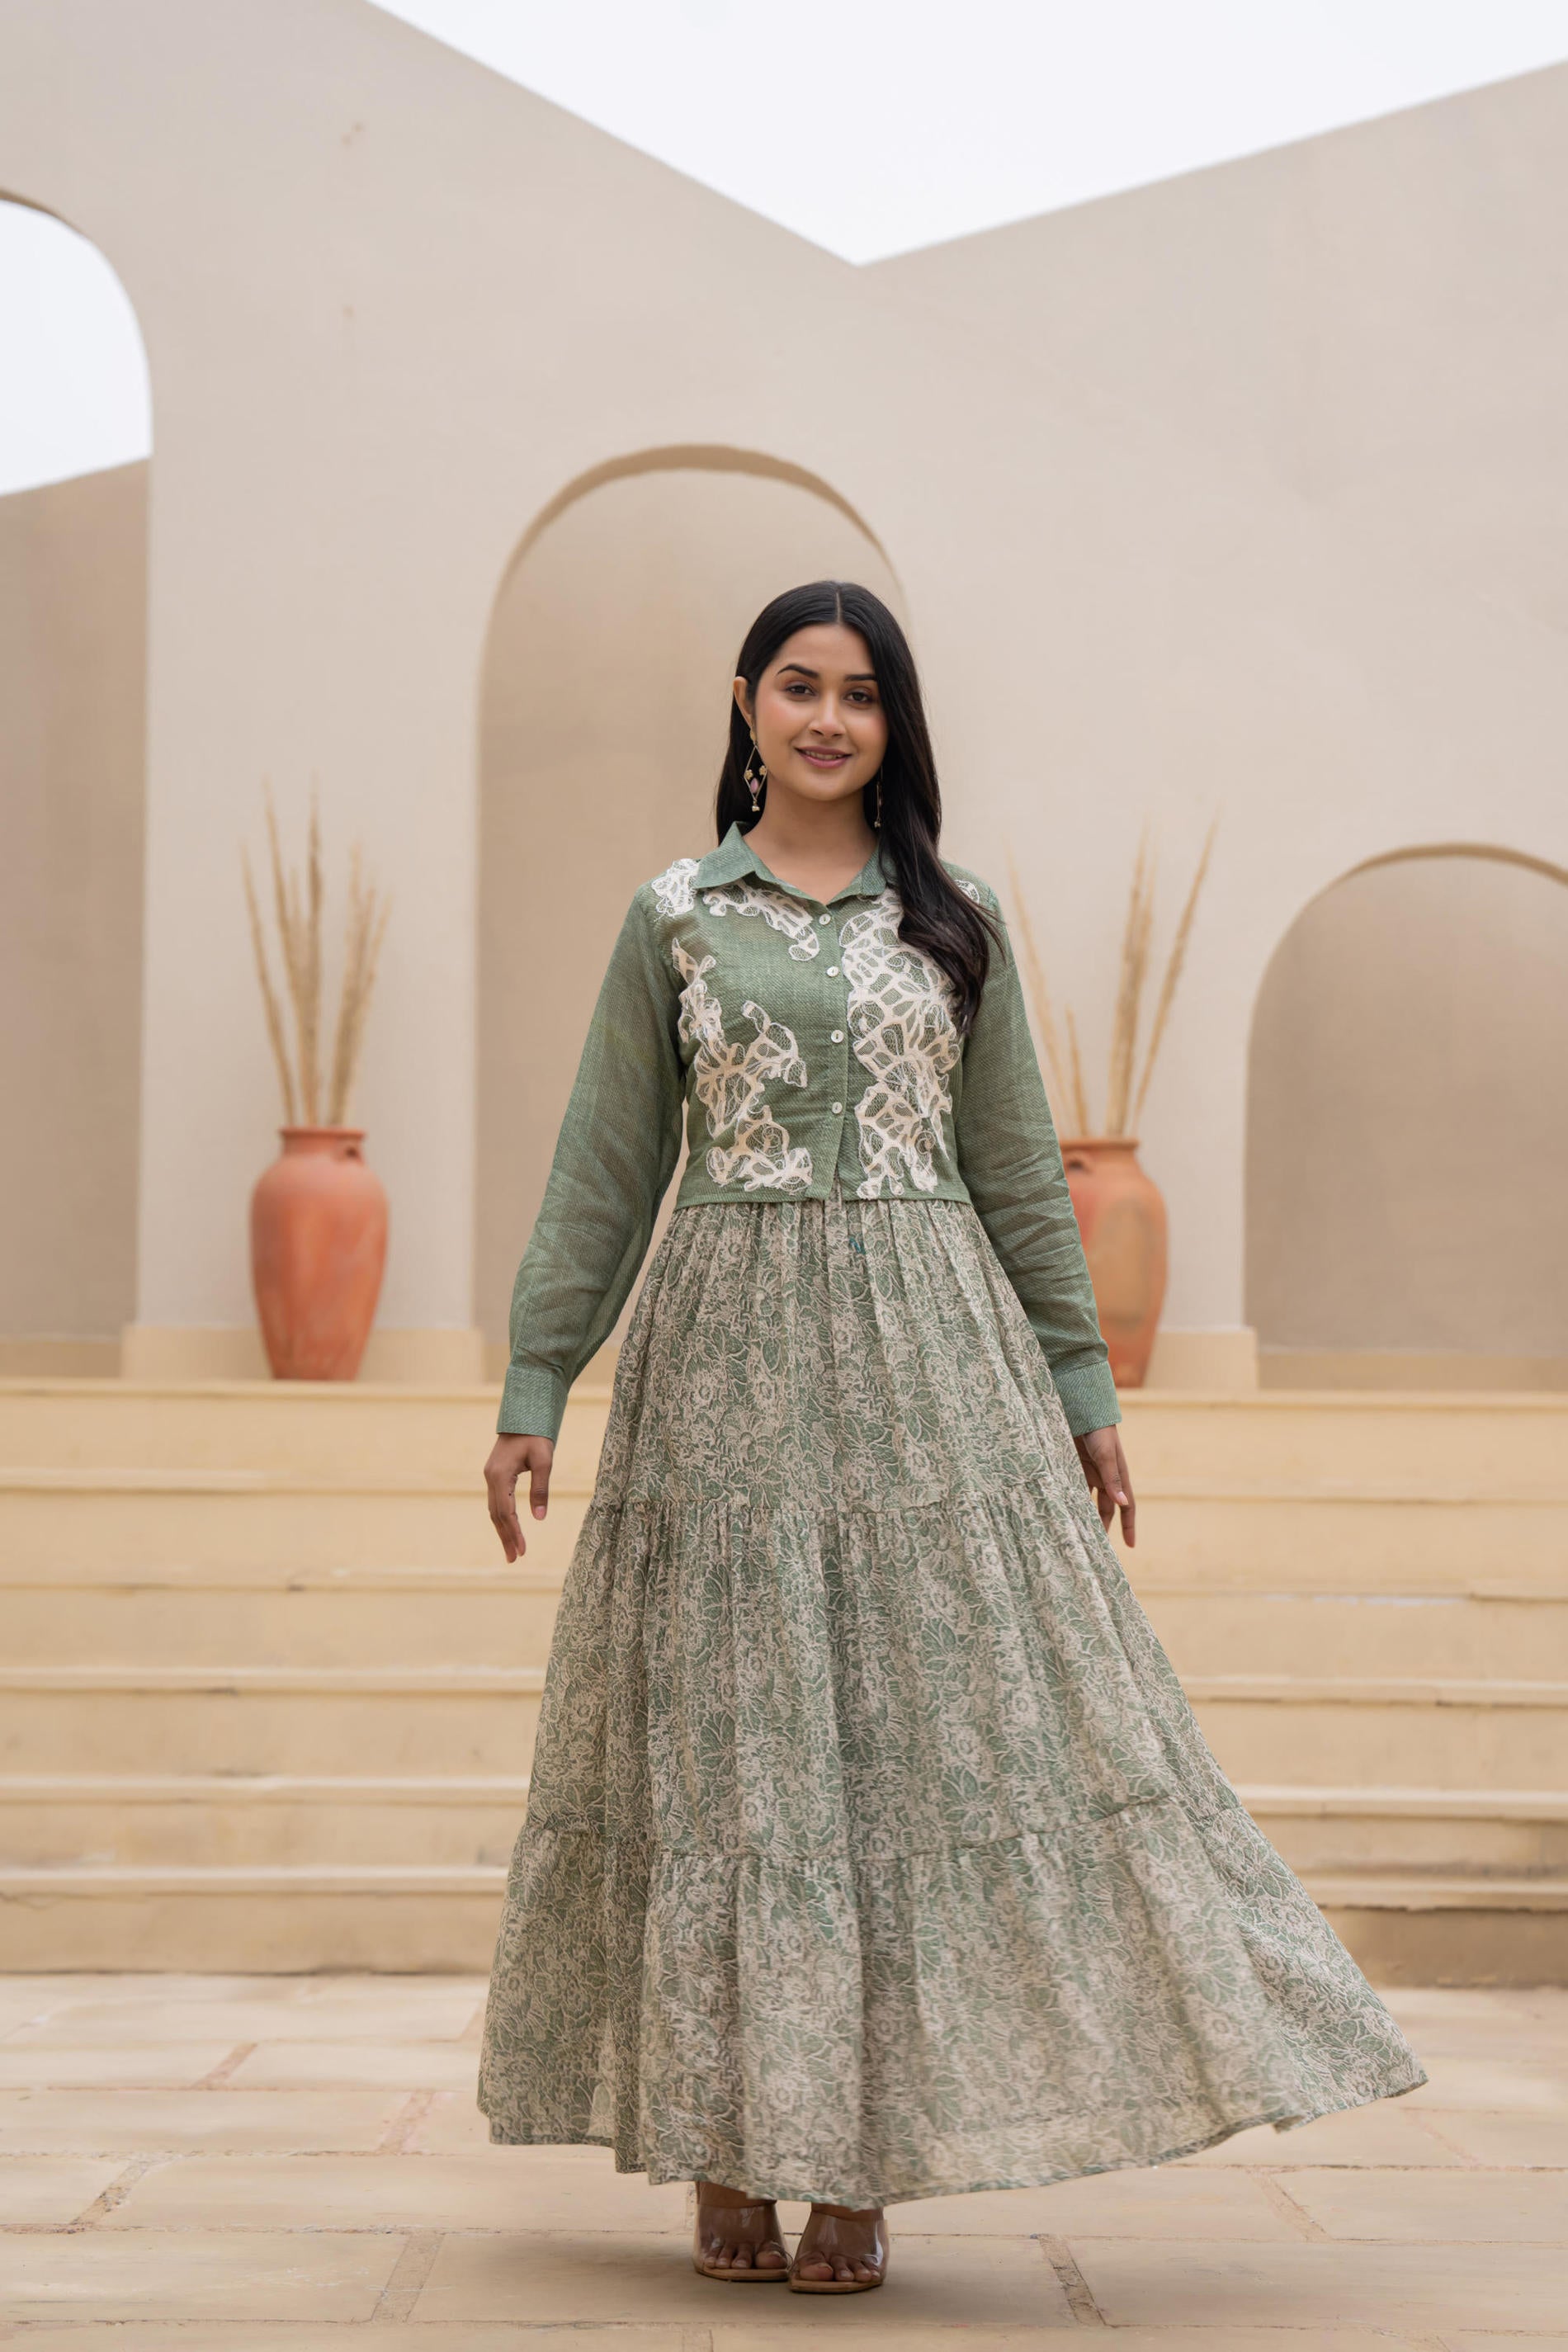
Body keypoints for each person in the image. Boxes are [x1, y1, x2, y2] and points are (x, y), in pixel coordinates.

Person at [477, 579, 1424, 2296]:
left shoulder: (954, 916)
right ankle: (725, 2146)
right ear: (746, 704)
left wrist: (1084, 1391)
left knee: (909, 1755)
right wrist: (538, 1379)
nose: (828, 720)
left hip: (930, 1376)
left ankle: (857, 2166)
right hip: (723, 1381)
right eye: (799, 687)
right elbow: (607, 1160)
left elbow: (1016, 1172)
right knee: (733, 1750)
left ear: (893, 724)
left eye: (860, 695)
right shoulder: (675, 916)